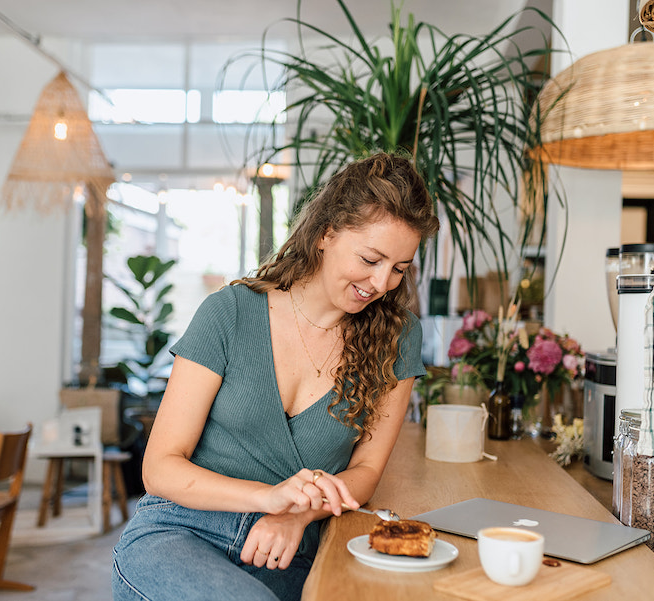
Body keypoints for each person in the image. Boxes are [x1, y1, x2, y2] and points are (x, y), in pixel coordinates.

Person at [111, 151, 439, 601]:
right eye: (370, 259)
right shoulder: (229, 313)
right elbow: (160, 468)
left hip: (287, 551)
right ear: (327, 234)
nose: (382, 283)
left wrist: (298, 515)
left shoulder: (398, 338)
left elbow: (366, 471)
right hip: (178, 531)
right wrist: (269, 499)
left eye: (399, 269)